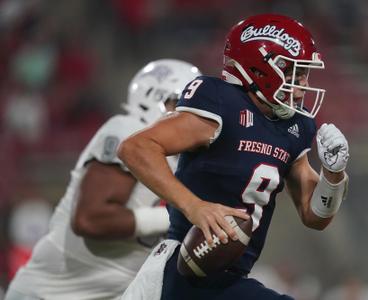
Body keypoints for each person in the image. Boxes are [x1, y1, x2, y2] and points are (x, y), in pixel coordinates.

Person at [119, 14, 350, 300]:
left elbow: (315, 216)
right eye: (294, 72)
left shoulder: (295, 127)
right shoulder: (221, 102)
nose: (303, 83)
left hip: (226, 279)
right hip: (182, 269)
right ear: (260, 68)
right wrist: (195, 207)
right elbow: (135, 148)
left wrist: (333, 174)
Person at [5, 59, 202, 300]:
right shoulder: (128, 131)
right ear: (156, 100)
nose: (192, 119)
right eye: (183, 106)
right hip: (51, 294)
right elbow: (90, 219)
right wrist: (182, 213)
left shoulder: (182, 161)